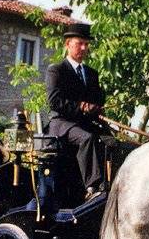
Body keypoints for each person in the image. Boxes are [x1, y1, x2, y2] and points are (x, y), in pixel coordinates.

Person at [45, 22, 108, 202]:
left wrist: (96, 106)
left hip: (84, 123)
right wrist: (81, 107)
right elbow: (55, 102)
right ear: (67, 44)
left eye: (86, 44)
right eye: (79, 43)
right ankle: (92, 187)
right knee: (86, 138)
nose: (83, 48)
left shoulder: (91, 74)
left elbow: (97, 99)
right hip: (61, 124)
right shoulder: (56, 70)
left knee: (110, 141)